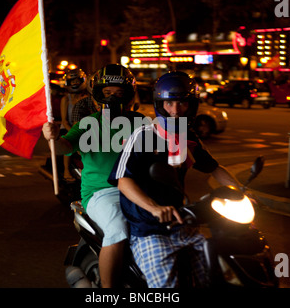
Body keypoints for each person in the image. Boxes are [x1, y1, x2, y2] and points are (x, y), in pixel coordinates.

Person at [108, 71, 242, 288]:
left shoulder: (188, 139)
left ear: (192, 105)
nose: (175, 110)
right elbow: (123, 181)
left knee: (216, 276)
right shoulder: (143, 136)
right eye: (169, 103)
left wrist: (242, 192)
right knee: (166, 287)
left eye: (182, 103)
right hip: (148, 228)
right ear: (160, 104)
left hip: (181, 223)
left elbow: (215, 169)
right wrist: (154, 208)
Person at [42, 64, 146, 288]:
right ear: (98, 96)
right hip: (101, 193)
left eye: (119, 93)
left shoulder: (141, 122)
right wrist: (52, 137)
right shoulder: (88, 124)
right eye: (107, 93)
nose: (113, 98)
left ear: (128, 95)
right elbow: (64, 146)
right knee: (118, 228)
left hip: (137, 191)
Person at [60, 68, 89, 182]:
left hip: (84, 128)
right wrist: (73, 131)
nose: (75, 83)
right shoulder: (66, 99)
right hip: (68, 128)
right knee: (69, 142)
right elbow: (64, 120)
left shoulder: (87, 98)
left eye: (77, 80)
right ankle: (66, 170)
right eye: (72, 81)